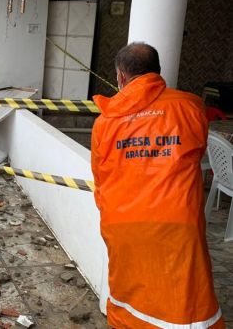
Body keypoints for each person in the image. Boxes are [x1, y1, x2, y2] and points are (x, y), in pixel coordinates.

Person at [91, 42, 224, 328]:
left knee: (129, 293)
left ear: (121, 78)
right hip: (177, 223)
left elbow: (100, 179)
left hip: (124, 223)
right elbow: (196, 151)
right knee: (184, 299)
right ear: (158, 72)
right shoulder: (190, 106)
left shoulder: (105, 121)